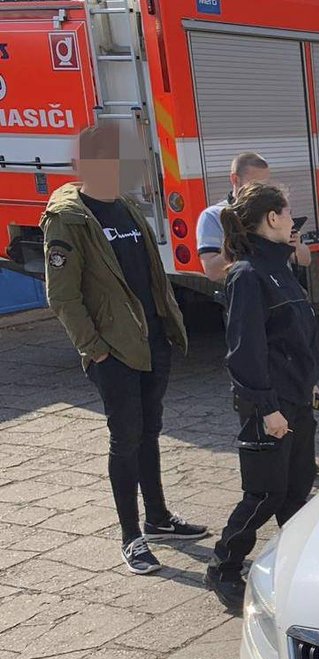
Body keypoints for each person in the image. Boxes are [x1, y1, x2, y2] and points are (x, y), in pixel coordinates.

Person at [43, 123, 207, 575]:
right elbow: (62, 295)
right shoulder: (69, 219)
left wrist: (169, 324)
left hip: (152, 342)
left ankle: (158, 518)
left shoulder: (129, 208)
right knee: (126, 439)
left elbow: (151, 275)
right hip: (113, 351)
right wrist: (94, 349)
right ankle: (131, 536)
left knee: (149, 431)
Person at [206, 182, 319, 614]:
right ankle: (223, 567)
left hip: (296, 397)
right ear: (272, 218)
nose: (293, 221)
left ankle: (295, 566)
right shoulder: (248, 275)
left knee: (297, 490)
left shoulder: (281, 267)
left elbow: (295, 337)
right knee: (264, 495)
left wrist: (309, 382)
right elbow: (245, 351)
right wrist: (267, 407)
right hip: (267, 406)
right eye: (289, 213)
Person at [196, 152, 311, 282]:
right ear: (235, 179)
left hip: (282, 292)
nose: (260, 189)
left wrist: (295, 245)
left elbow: (305, 260)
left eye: (265, 184)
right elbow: (212, 272)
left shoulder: (272, 209)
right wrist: (246, 241)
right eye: (254, 183)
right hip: (248, 294)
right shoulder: (213, 216)